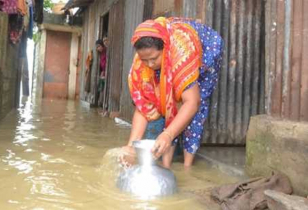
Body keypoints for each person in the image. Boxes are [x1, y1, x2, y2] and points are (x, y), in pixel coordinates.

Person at [123, 17, 223, 169]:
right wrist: (130, 147)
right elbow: (143, 105)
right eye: (145, 60)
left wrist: (168, 135)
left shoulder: (181, 53)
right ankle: (166, 167)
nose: (149, 64)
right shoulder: (141, 63)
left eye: (154, 59)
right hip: (174, 53)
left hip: (207, 50)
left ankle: (187, 166)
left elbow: (192, 102)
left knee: (196, 102)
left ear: (165, 48)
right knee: (167, 100)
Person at [95, 39, 107, 107]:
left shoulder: (106, 51)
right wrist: (102, 72)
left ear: (102, 45)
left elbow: (107, 63)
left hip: (106, 74)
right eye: (97, 47)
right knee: (101, 88)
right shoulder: (101, 54)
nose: (98, 48)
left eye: (99, 46)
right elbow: (102, 65)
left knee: (104, 89)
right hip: (103, 73)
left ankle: (103, 105)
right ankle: (100, 103)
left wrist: (105, 72)